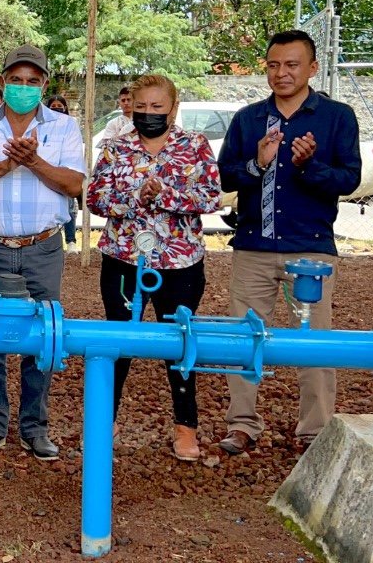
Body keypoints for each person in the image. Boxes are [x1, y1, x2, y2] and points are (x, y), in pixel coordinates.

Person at [215, 29, 361, 454]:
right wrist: (256, 163)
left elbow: (348, 179)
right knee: (243, 338)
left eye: (292, 64)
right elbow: (224, 176)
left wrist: (310, 165)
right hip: (252, 245)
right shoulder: (248, 119)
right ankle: (242, 425)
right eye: (274, 65)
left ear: (313, 68)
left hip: (311, 248)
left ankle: (314, 430)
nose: (282, 73)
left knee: (316, 342)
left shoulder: (336, 117)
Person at [0, 44, 84, 461]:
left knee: (43, 337)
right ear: (2, 82)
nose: (23, 87)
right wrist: (7, 166)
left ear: (44, 84)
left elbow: (76, 184)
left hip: (42, 246)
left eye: (32, 81)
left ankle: (34, 426)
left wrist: (34, 162)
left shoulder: (63, 128)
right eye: (15, 80)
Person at [86, 74, 222, 461]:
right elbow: (95, 198)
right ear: (130, 107)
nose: (148, 115)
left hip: (180, 261)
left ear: (173, 108)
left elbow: (212, 196)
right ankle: (104, 423)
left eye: (157, 108)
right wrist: (134, 197)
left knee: (179, 342)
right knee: (118, 340)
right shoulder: (114, 148)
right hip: (124, 258)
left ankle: (185, 428)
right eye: (141, 108)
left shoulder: (193, 146)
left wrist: (168, 196)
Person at [45, 94, 79, 245]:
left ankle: (70, 240)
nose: (57, 110)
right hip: (47, 171)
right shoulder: (42, 126)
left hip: (65, 172)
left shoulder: (71, 126)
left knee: (70, 207)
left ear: (65, 109)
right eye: (53, 108)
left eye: (60, 107)